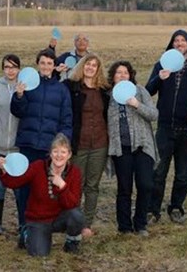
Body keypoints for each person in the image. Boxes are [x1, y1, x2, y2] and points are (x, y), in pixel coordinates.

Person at [10, 48, 72, 247]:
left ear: (54, 66)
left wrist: (62, 147)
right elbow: (18, 111)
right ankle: (24, 228)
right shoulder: (28, 85)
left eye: (49, 63)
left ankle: (42, 229)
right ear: (38, 64)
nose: (46, 66)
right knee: (24, 190)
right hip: (28, 145)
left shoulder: (62, 90)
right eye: (43, 63)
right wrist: (19, 96)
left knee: (45, 191)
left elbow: (66, 120)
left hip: (48, 150)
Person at [146, 29, 187, 224]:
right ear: (171, 44)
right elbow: (148, 91)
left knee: (182, 173)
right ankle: (153, 209)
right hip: (165, 128)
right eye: (176, 40)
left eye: (183, 40)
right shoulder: (161, 66)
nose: (179, 43)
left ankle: (176, 206)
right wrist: (160, 78)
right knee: (158, 172)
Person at [0, 133, 84, 256]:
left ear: (69, 154)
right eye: (55, 151)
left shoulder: (75, 172)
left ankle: (72, 243)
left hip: (59, 217)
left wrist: (62, 186)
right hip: (38, 219)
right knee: (39, 254)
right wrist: (4, 170)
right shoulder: (38, 167)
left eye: (63, 152)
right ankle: (26, 234)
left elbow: (73, 203)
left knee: (77, 216)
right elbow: (14, 182)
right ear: (50, 153)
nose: (59, 155)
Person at [107, 61, 158, 236]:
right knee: (124, 188)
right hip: (121, 149)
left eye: (125, 73)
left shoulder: (140, 91)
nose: (122, 75)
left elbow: (154, 115)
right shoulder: (108, 96)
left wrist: (137, 104)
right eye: (118, 73)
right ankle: (125, 226)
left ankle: (141, 223)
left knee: (145, 185)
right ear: (113, 77)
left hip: (142, 146)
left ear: (131, 75)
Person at [63, 53, 110, 236]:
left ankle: (86, 224)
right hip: (79, 144)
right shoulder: (71, 86)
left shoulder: (104, 90)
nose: (90, 68)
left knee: (93, 186)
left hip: (99, 143)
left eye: (94, 65)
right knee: (76, 184)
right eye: (88, 64)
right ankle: (73, 221)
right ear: (82, 66)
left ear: (98, 69)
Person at [0, 54, 22, 235]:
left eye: (14, 67)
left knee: (18, 185)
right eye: (7, 67)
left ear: (19, 69)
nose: (10, 70)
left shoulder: (24, 87)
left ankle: (21, 222)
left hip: (17, 147)